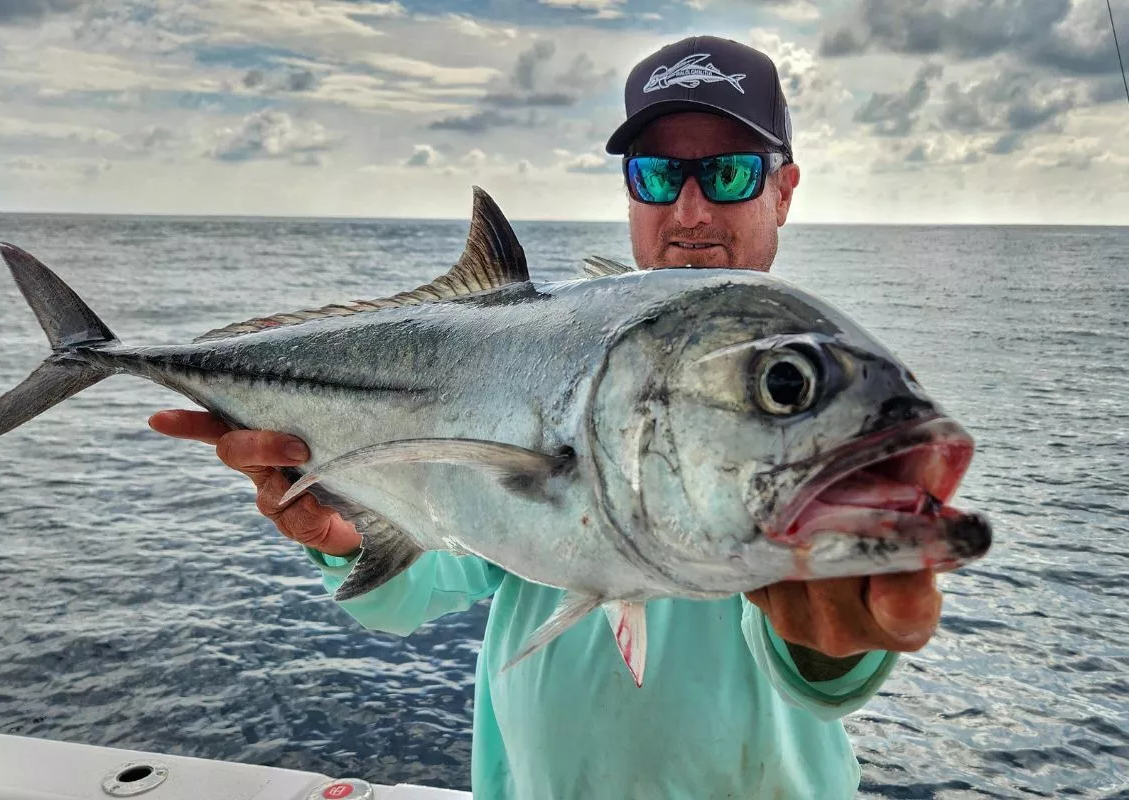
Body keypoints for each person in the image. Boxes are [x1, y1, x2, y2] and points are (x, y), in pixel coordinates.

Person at [149, 36, 944, 799]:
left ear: (784, 189)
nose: (692, 211)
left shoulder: (821, 400)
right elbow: (412, 593)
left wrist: (831, 642)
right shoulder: (551, 360)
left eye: (731, 173)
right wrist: (342, 529)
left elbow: (824, 666)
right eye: (659, 176)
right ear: (630, 191)